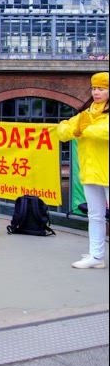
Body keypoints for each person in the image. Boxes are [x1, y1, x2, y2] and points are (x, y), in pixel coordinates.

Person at [57, 72, 109, 269]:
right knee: (95, 216)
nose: (96, 92)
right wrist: (76, 129)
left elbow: (104, 132)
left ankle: (96, 255)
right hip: (90, 171)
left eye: (101, 89)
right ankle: (96, 256)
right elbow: (62, 131)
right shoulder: (86, 113)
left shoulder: (90, 118)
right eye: (94, 88)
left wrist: (84, 130)